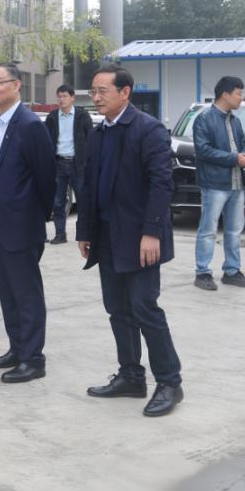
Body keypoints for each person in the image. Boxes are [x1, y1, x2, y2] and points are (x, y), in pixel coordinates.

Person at [77, 66, 184, 417]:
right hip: (107, 235)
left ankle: (169, 382)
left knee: (144, 307)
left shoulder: (148, 129)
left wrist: (152, 232)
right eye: (93, 91)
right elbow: (89, 184)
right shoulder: (99, 132)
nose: (96, 97)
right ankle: (131, 376)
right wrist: (84, 230)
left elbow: (162, 184)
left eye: (102, 91)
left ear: (125, 92)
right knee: (117, 309)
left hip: (140, 238)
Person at [0, 63, 55, 384]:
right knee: (8, 290)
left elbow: (46, 178)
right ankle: (17, 348)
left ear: (16, 85)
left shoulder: (29, 124)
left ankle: (33, 359)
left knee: (26, 293)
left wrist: (33, 217)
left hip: (21, 223)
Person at [191, 76, 245, 290]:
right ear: (225, 94)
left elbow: (242, 144)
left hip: (237, 184)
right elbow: (203, 150)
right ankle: (202, 273)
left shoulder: (235, 121)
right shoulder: (204, 118)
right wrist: (234, 158)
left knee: (234, 231)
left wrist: (244, 155)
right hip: (214, 184)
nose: (241, 98)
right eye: (239, 94)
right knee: (208, 230)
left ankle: (232, 271)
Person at [44, 84, 93, 245]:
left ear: (72, 98)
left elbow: (90, 139)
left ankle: (84, 235)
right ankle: (60, 235)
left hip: (78, 165)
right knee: (58, 201)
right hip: (58, 163)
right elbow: (46, 141)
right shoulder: (52, 117)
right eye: (59, 96)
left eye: (65, 96)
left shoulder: (82, 116)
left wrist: (89, 162)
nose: (61, 99)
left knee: (83, 201)